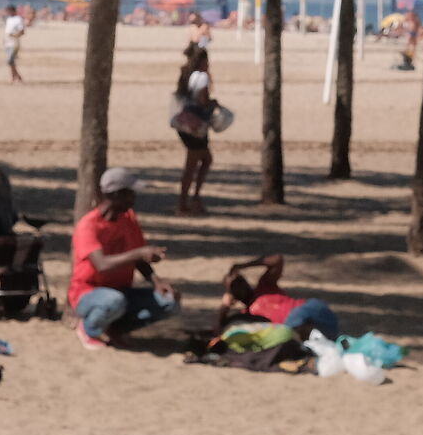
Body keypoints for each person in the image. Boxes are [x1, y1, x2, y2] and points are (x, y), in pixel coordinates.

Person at [69, 167, 181, 350]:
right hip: (88, 293)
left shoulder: (128, 219)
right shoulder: (88, 225)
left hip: (121, 291)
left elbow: (139, 257)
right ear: (116, 195)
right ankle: (89, 328)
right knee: (114, 301)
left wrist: (156, 281)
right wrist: (139, 253)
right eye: (130, 193)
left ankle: (115, 329)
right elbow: (101, 264)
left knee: (170, 302)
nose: (134, 198)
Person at [215, 254, 340, 342]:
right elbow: (218, 332)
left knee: (298, 318)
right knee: (289, 332)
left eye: (240, 280)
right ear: (232, 295)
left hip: (311, 310)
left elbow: (277, 259)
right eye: (234, 286)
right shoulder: (247, 315)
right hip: (298, 329)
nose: (240, 285)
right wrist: (224, 307)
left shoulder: (265, 286)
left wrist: (244, 265)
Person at [171, 46, 218, 215]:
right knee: (193, 165)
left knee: (204, 159)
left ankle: (193, 199)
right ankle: (185, 203)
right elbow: (202, 100)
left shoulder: (187, 75)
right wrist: (213, 104)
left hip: (186, 123)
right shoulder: (201, 77)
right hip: (196, 126)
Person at [3, 9, 26, 83]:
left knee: (10, 60)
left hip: (14, 43)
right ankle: (16, 77)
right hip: (7, 43)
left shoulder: (18, 19)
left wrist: (14, 35)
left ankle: (16, 77)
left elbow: (22, 31)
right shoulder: (9, 19)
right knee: (11, 62)